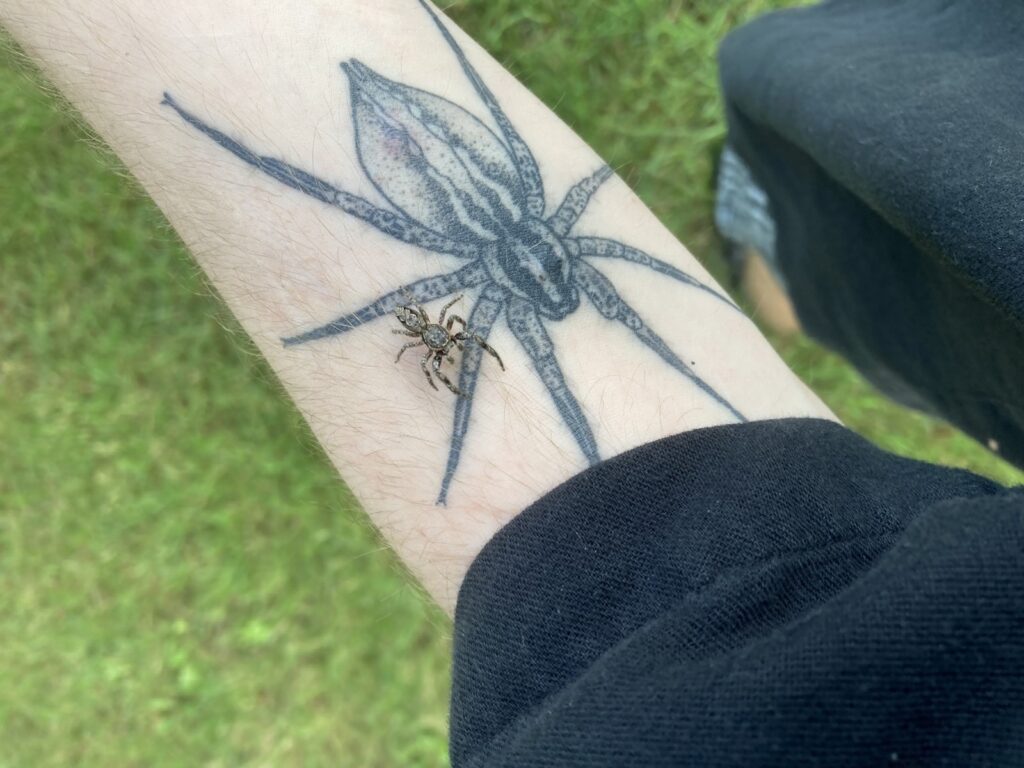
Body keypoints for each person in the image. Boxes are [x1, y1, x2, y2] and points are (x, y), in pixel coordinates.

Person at [1, 1, 1020, 765]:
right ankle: (789, 234)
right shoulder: (518, 252)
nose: (555, 284)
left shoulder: (509, 264)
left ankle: (786, 243)